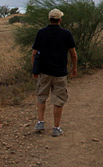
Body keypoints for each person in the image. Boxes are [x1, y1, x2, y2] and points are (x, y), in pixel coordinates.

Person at [32, 8, 78, 137]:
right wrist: (74, 68)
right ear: (60, 20)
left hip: (44, 72)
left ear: (49, 19)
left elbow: (34, 53)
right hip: (60, 73)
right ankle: (56, 128)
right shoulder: (66, 34)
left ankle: (40, 122)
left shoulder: (41, 33)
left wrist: (35, 70)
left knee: (41, 97)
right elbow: (73, 53)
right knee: (58, 100)